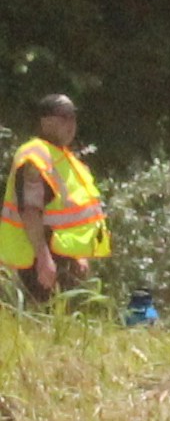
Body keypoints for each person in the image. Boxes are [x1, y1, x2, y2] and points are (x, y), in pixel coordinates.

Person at [7, 97, 105, 310]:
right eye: (64, 117)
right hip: (35, 257)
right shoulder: (36, 155)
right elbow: (30, 211)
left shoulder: (62, 156)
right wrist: (43, 260)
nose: (71, 124)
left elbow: (65, 213)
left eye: (73, 118)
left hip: (59, 257)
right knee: (40, 323)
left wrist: (77, 255)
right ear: (45, 121)